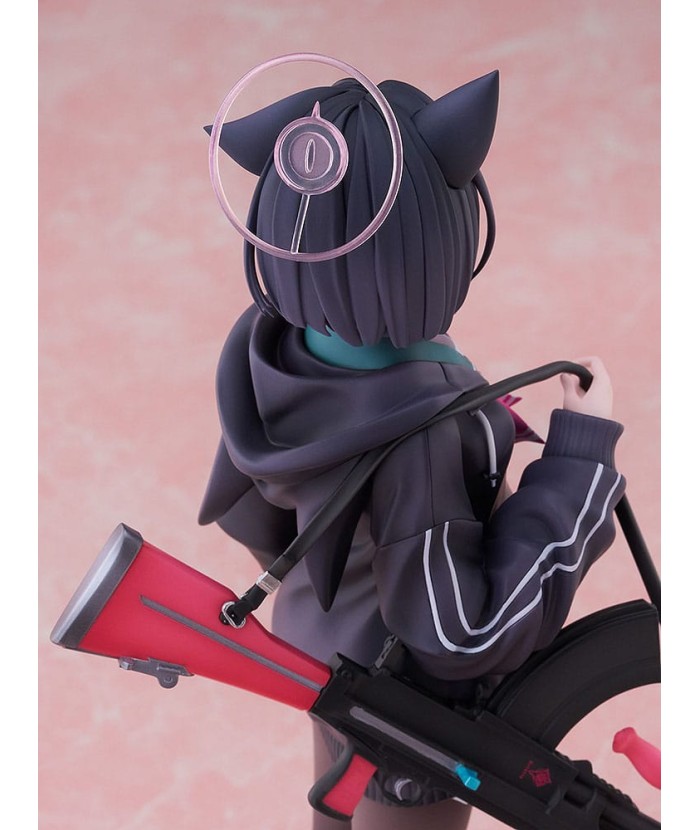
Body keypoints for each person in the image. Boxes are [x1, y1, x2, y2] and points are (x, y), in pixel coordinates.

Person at [199, 70, 625, 829]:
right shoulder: (419, 434)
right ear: (441, 240)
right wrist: (579, 459)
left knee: (334, 808)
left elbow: (254, 516)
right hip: (412, 720)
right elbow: (462, 633)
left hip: (325, 662)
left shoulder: (270, 356)